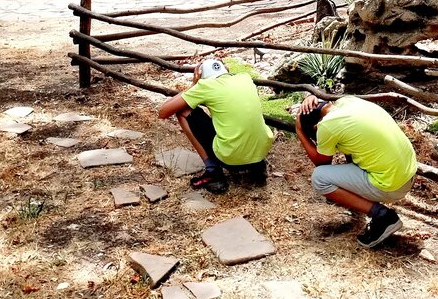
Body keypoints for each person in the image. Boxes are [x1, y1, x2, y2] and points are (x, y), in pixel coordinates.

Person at [295, 94, 417, 249]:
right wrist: (311, 97)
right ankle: (360, 201)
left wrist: (300, 132)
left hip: (392, 185)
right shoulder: (348, 102)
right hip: (407, 174)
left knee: (320, 178)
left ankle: (383, 216)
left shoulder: (327, 125)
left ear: (315, 128)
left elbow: (322, 162)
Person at [157, 59, 274, 193]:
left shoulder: (206, 86)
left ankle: (213, 171)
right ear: (225, 70)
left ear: (201, 76)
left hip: (231, 159)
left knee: (183, 112)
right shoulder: (245, 78)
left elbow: (163, 112)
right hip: (260, 153)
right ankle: (257, 167)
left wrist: (194, 85)